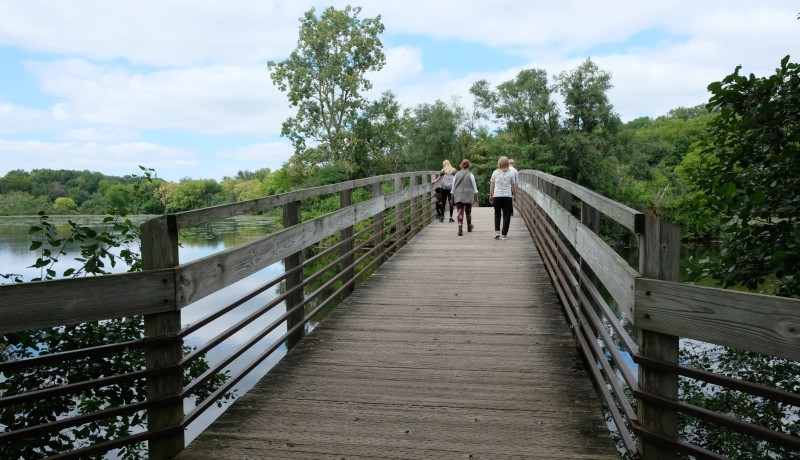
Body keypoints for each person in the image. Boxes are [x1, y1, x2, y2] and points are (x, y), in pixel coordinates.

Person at [489, 156, 517, 240]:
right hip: (507, 197)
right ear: (507, 163)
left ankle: (497, 232)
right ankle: (504, 234)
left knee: (497, 214)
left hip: (497, 196)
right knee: (506, 215)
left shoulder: (495, 172)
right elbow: (513, 186)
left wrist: (491, 195)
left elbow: (492, 185)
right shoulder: (511, 173)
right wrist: (514, 195)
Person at [450, 159, 480, 236]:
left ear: (461, 165)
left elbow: (453, 187)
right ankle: (469, 227)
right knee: (468, 211)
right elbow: (474, 188)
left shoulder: (456, 175)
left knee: (460, 211)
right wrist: (477, 198)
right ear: (469, 165)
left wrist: (452, 196)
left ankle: (460, 229)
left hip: (458, 195)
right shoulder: (470, 174)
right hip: (468, 195)